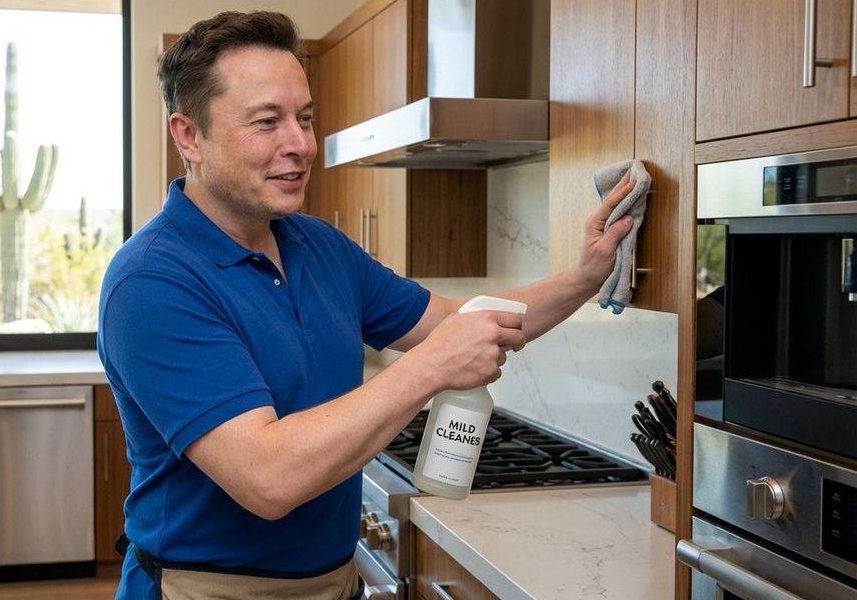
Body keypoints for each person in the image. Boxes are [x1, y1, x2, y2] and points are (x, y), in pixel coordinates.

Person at [97, 11, 635, 600]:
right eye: (266, 122)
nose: (300, 144)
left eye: (303, 118)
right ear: (188, 135)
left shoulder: (316, 243)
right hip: (205, 590)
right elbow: (268, 478)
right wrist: (429, 368)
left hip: (334, 581)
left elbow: (459, 321)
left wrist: (585, 276)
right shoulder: (152, 282)